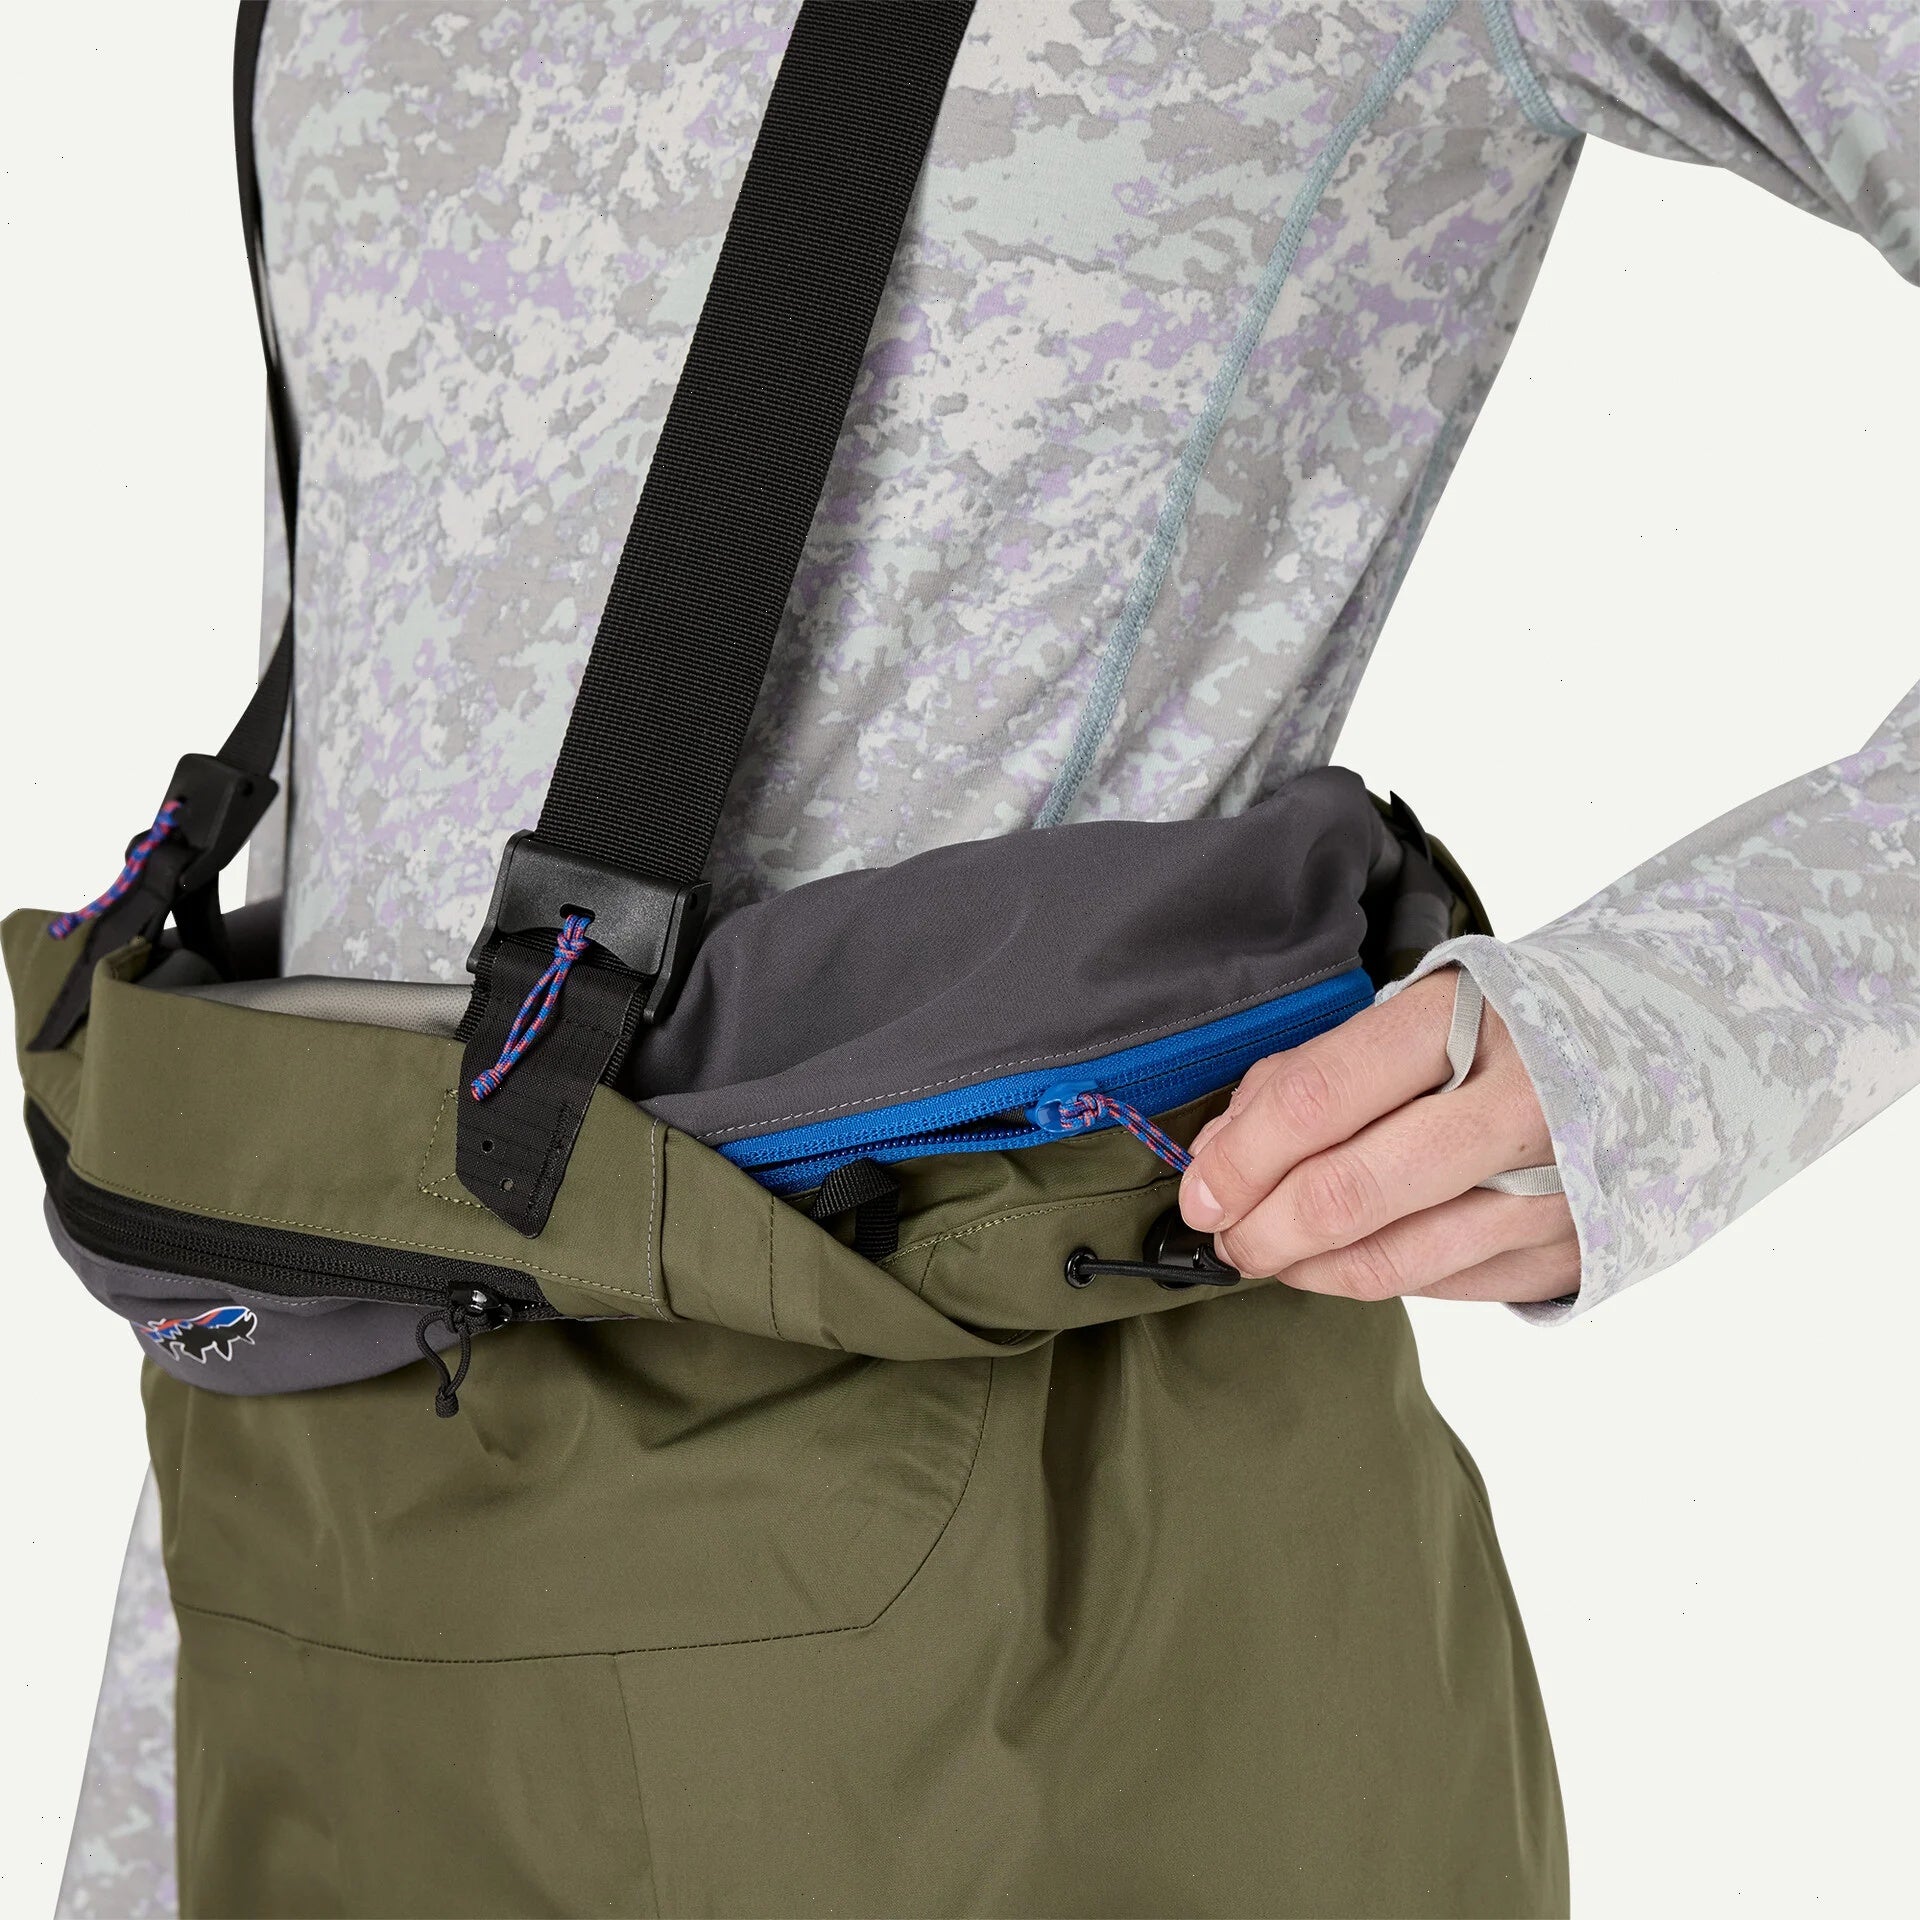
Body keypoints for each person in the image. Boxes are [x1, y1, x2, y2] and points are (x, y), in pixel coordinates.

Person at [54, 1, 1917, 1913]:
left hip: (1032, 1679)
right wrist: (144, 1813)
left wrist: (1664, 1036)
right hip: (303, 1603)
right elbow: (369, 824)